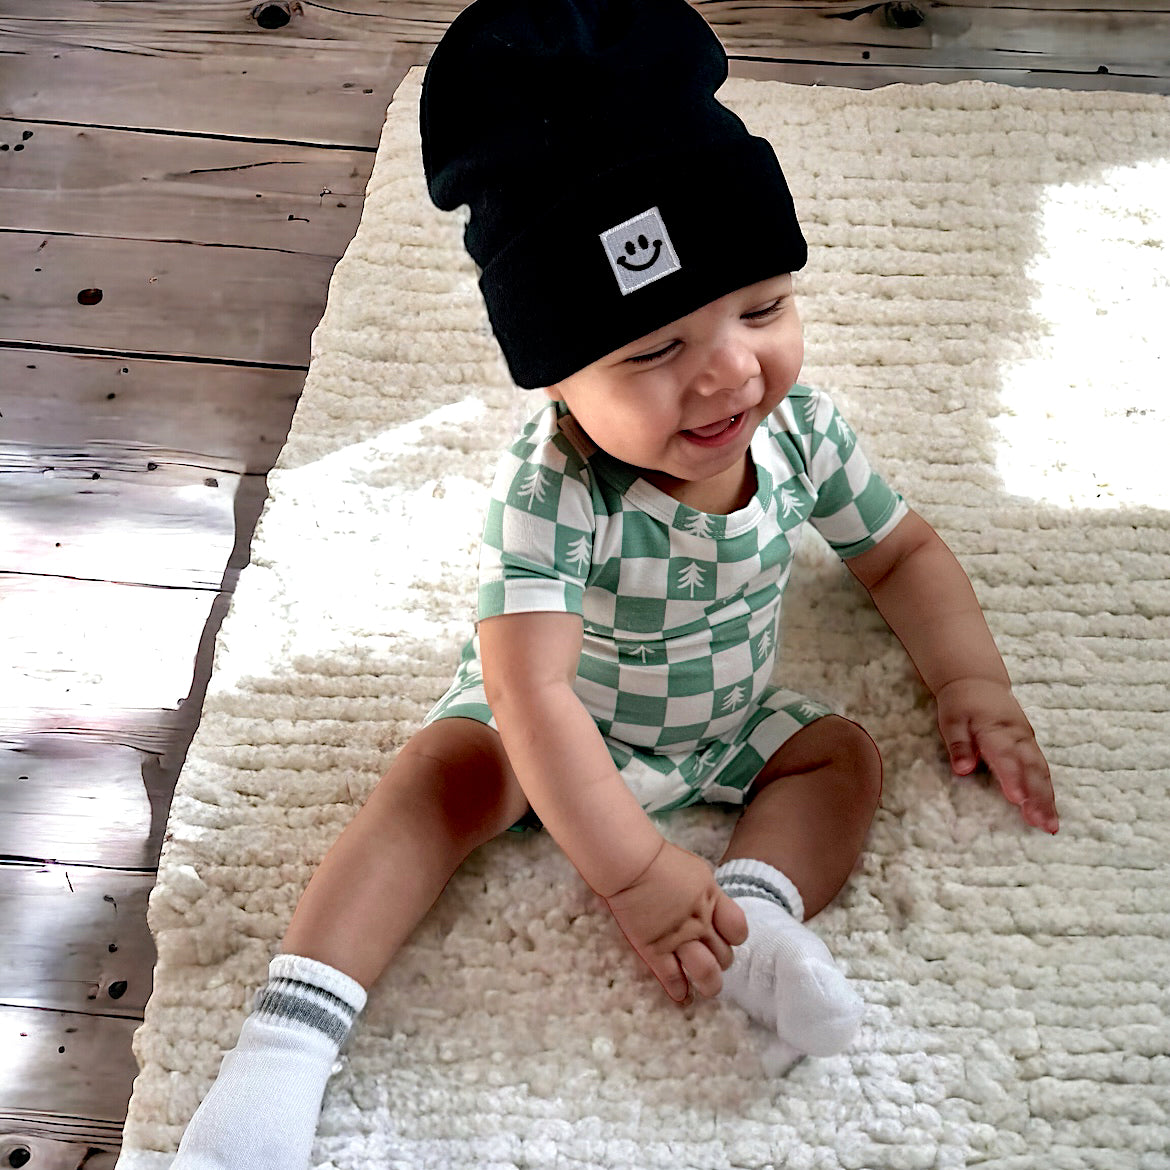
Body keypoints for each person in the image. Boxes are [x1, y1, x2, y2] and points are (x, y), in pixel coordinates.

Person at [166, 1, 1060, 1167]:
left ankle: (753, 920)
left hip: (724, 725)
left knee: (843, 756)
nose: (730, 372)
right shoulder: (555, 493)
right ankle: (281, 1054)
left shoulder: (802, 433)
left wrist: (970, 681)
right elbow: (529, 691)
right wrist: (634, 873)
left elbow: (899, 554)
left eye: (762, 308)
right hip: (552, 731)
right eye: (652, 351)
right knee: (435, 780)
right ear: (558, 382)